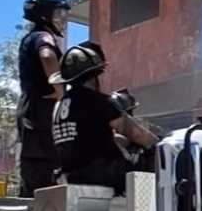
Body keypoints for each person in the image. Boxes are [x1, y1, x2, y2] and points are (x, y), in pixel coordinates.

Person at [50, 42, 158, 195]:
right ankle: (150, 202)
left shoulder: (59, 106)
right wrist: (159, 143)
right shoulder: (97, 101)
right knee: (148, 155)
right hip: (101, 177)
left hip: (70, 177)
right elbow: (138, 135)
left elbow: (83, 139)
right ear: (94, 76)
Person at [17, 0, 70, 197]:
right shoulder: (43, 36)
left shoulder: (30, 38)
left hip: (34, 111)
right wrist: (60, 91)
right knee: (42, 172)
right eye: (58, 14)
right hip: (40, 113)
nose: (63, 19)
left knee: (38, 171)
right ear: (43, 15)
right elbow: (47, 56)